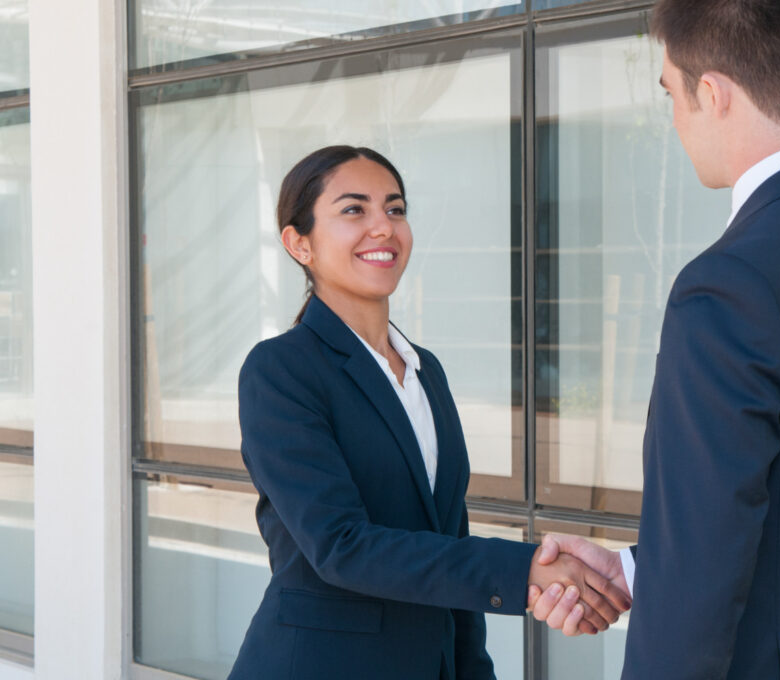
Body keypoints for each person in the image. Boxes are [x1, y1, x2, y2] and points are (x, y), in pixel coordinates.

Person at [529, 1, 780, 678]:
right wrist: (637, 567)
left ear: (713, 94)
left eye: (672, 94)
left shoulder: (730, 284)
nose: (674, 121)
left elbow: (698, 583)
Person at [227, 145, 630, 680]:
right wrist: (527, 568)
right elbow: (340, 545)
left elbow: (448, 536)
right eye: (354, 210)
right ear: (298, 243)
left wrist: (472, 669)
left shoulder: (425, 371)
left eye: (395, 209)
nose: (383, 228)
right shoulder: (280, 370)